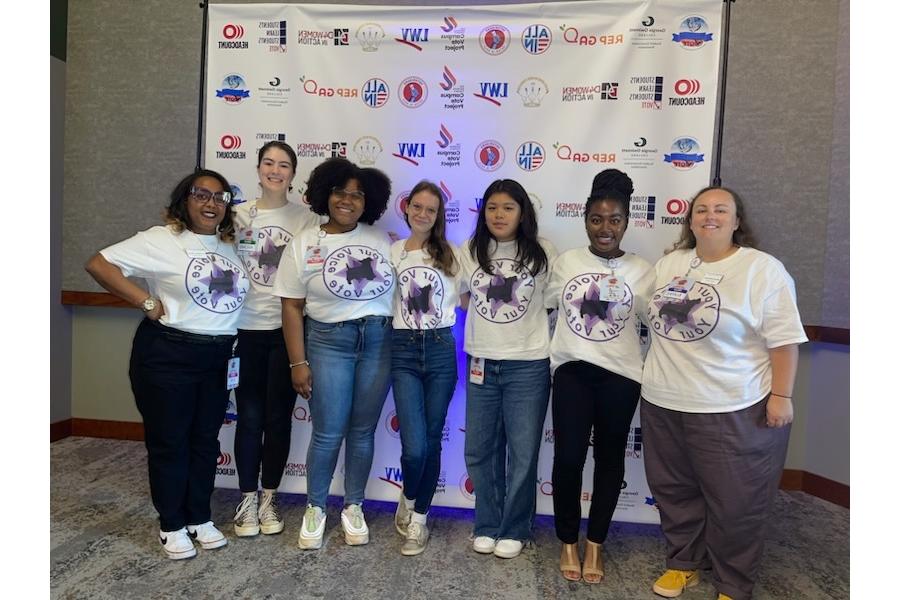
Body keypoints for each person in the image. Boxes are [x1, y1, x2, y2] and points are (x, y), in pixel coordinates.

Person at [640, 186, 807, 600]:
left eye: (720, 210)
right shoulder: (670, 264)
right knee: (674, 492)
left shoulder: (762, 270)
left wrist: (782, 396)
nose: (709, 216)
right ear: (690, 220)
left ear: (736, 221)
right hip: (664, 400)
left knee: (737, 503)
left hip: (732, 405)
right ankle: (683, 563)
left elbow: (784, 341)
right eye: (701, 209)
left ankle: (733, 582)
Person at [85, 169, 250, 560]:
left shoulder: (229, 244)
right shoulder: (162, 239)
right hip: (168, 355)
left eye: (220, 197)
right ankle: (171, 523)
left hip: (218, 356)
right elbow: (99, 264)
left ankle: (198, 516)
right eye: (201, 195)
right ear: (185, 200)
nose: (211, 203)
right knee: (170, 442)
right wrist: (145, 302)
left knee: (205, 441)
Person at [273, 157, 394, 550]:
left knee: (362, 431)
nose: (348, 200)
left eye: (358, 195)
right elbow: (291, 306)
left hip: (378, 341)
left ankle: (353, 506)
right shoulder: (305, 242)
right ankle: (316, 507)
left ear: (368, 202)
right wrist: (298, 362)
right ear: (326, 194)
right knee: (327, 432)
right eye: (341, 192)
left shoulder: (380, 239)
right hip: (328, 342)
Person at [544, 169, 654, 583]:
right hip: (572, 371)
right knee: (568, 458)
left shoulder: (645, 270)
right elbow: (542, 306)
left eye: (614, 220)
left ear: (627, 222)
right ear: (585, 220)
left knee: (610, 462)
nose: (605, 228)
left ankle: (596, 545)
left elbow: (661, 324)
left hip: (621, 377)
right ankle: (568, 541)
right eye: (596, 219)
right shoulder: (568, 262)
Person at [459, 178, 557, 559]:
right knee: (479, 450)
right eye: (492, 207)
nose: (499, 215)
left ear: (522, 213)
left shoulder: (542, 252)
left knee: (523, 452)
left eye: (508, 208)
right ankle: (486, 523)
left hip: (528, 365)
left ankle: (516, 528)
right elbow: (463, 297)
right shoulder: (471, 250)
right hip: (481, 360)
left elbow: (549, 304)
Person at [231, 141, 320, 538]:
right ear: (258, 168)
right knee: (248, 417)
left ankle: (269, 498)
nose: (275, 170)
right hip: (244, 330)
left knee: (277, 419)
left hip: (287, 333)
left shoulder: (306, 219)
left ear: (293, 173)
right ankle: (246, 500)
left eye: (284, 165)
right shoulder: (235, 216)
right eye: (268, 162)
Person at [389, 180, 461, 556]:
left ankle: (419, 519)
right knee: (414, 446)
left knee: (432, 439)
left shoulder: (452, 254)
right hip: (401, 349)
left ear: (438, 216)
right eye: (417, 206)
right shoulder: (393, 252)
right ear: (407, 208)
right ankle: (410, 491)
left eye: (430, 209)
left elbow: (471, 298)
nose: (422, 214)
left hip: (440, 350)